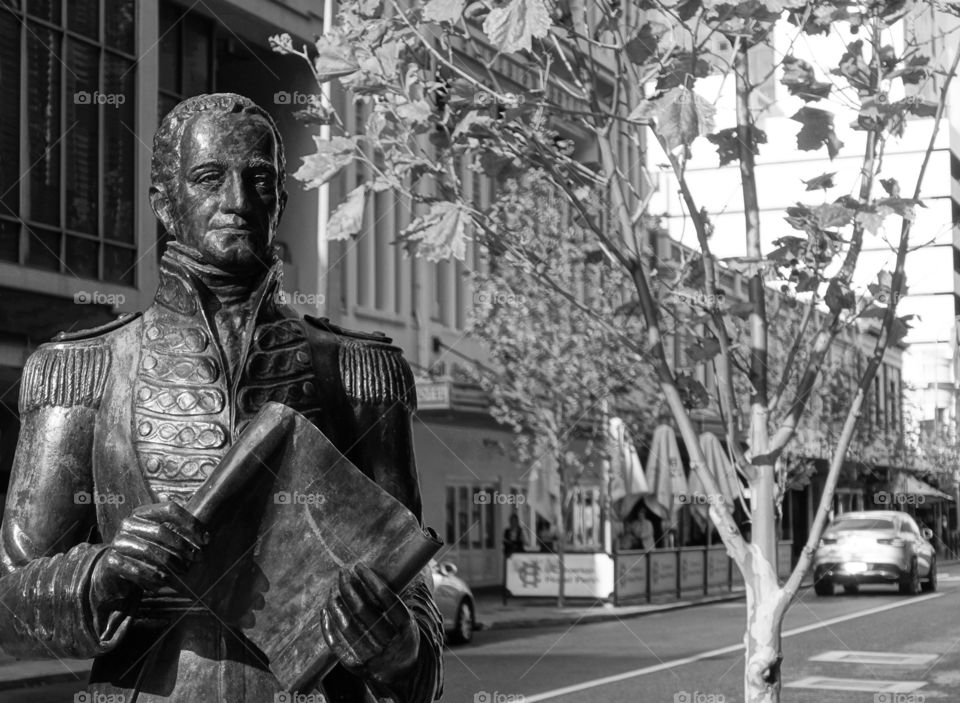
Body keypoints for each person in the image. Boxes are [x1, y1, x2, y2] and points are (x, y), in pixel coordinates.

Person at [0, 94, 443, 702]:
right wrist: (103, 574)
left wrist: (399, 649)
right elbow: (12, 597)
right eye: (210, 178)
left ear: (281, 202)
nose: (237, 201)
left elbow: (408, 581)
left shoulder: (356, 369)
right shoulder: (83, 367)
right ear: (165, 204)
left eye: (258, 180)